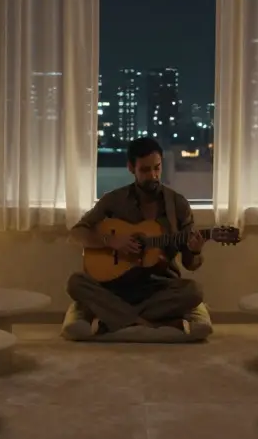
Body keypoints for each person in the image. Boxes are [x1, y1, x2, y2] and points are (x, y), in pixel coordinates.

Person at [66, 137, 206, 335]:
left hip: (160, 286)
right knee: (76, 283)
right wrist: (111, 241)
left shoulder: (177, 204)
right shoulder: (114, 200)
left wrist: (195, 250)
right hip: (116, 286)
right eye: (145, 170)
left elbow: (191, 264)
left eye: (157, 168)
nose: (153, 175)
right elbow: (76, 233)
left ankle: (117, 319)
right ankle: (150, 322)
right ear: (131, 168)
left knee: (194, 292)